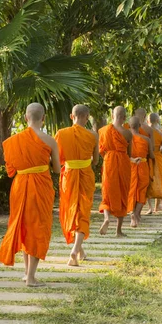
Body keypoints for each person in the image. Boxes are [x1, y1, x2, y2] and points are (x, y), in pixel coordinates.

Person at [0, 103, 60, 287]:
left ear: (25, 118)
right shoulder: (49, 141)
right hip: (40, 186)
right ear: (44, 118)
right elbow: (56, 169)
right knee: (38, 227)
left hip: (20, 186)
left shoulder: (13, 141)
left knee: (24, 226)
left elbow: (10, 170)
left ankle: (26, 272)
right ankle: (31, 277)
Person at [55, 105, 99, 266]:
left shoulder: (61, 134)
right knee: (83, 212)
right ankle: (77, 250)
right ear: (87, 117)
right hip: (86, 175)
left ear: (71, 116)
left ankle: (77, 249)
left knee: (71, 210)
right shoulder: (93, 135)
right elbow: (95, 161)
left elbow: (57, 159)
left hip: (69, 175)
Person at [98, 106, 132, 237]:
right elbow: (130, 153)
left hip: (109, 161)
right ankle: (118, 231)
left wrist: (108, 157)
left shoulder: (103, 131)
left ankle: (106, 218)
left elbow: (101, 151)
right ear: (124, 118)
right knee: (123, 192)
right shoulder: (127, 133)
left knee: (107, 192)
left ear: (112, 116)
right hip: (123, 162)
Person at [127, 116, 153, 227]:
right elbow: (151, 155)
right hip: (143, 165)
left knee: (130, 190)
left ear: (128, 126)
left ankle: (131, 213)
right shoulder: (146, 139)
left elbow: (124, 154)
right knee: (142, 190)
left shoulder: (126, 139)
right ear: (139, 126)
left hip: (130, 165)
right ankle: (137, 214)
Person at [146, 113, 162, 213]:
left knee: (147, 181)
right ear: (158, 121)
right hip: (157, 157)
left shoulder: (144, 132)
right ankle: (156, 207)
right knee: (158, 181)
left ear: (148, 121)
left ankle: (149, 207)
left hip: (147, 157)